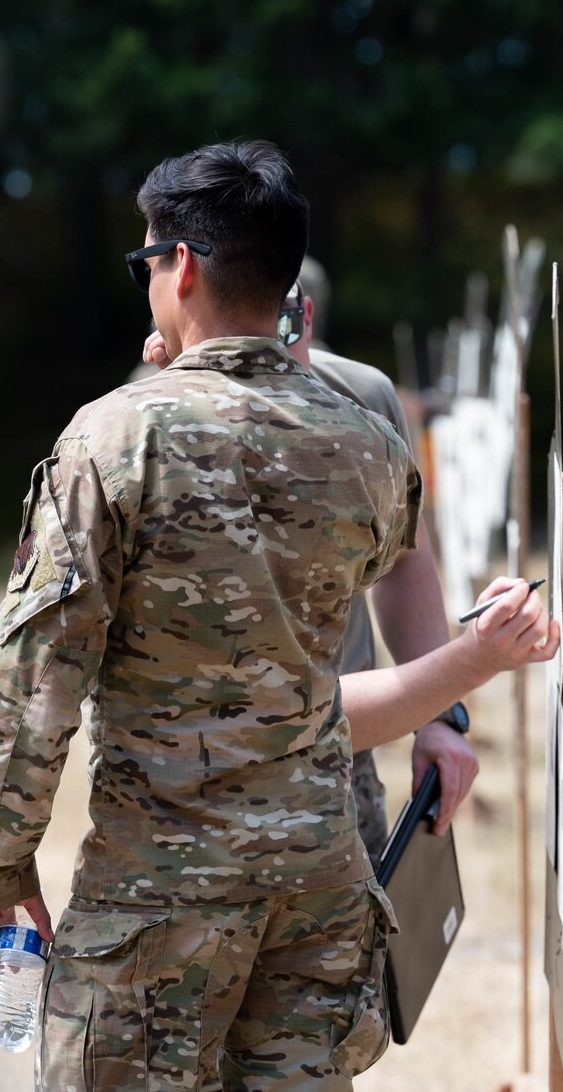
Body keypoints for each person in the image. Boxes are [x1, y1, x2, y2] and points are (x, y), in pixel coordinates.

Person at [0, 141, 555, 1090]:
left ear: (182, 267)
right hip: (318, 882)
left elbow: (36, 689)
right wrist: (448, 708)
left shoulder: (115, 437)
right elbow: (407, 565)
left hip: (160, 887)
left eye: (146, 262)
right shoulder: (365, 437)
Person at [144, 260, 478, 857]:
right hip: (192, 786)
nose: (273, 372)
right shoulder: (141, 413)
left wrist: (438, 716)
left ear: (306, 318)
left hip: (340, 766)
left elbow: (405, 557)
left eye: (287, 336)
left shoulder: (363, 398)